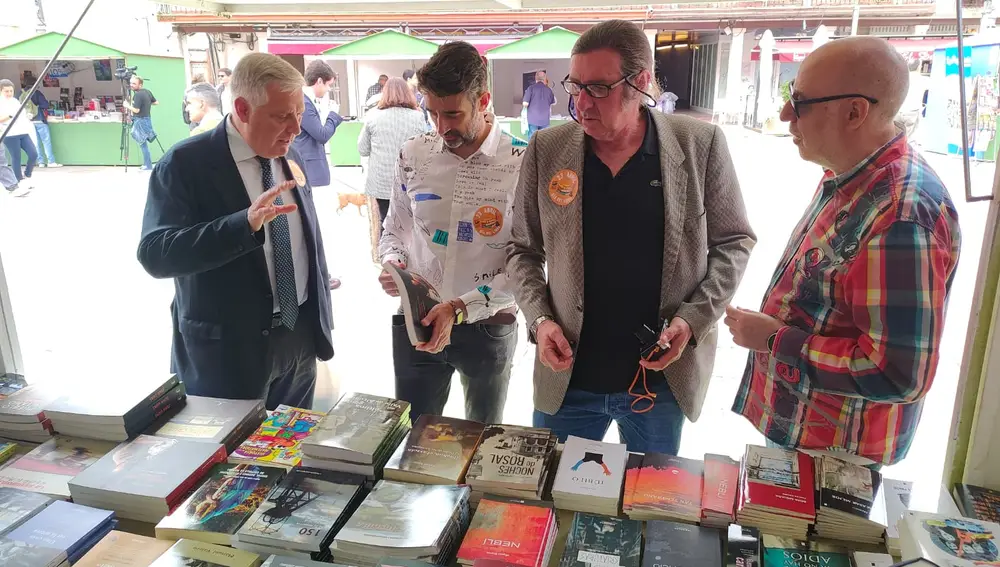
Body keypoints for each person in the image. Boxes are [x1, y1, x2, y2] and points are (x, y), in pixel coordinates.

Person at [506, 20, 755, 455]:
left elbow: (734, 241)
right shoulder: (548, 148)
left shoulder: (700, 144)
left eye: (598, 88)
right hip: (568, 379)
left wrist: (692, 319)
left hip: (658, 385)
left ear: (640, 83)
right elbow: (522, 249)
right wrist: (540, 320)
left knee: (649, 507)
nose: (581, 103)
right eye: (575, 85)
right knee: (553, 499)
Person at [725, 37, 961, 469]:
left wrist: (774, 339)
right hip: (808, 433)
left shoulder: (901, 214)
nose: (785, 115)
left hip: (835, 455)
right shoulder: (850, 177)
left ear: (855, 112)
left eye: (801, 103)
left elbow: (898, 374)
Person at [137, 53, 335, 411]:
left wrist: (320, 322)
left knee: (292, 453)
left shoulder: (290, 154)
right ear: (242, 109)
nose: (295, 128)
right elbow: (155, 253)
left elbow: (309, 240)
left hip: (299, 336)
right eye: (281, 116)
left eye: (300, 115)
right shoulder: (186, 164)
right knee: (232, 460)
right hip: (227, 352)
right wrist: (242, 225)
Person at [378, 41, 524, 424]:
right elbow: (395, 228)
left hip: (488, 324)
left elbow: (529, 264)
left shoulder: (521, 161)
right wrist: (394, 263)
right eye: (432, 113)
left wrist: (459, 309)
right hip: (419, 320)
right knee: (413, 437)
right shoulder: (413, 153)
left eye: (454, 114)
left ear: (484, 100)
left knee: (481, 438)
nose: (442, 127)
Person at [292, 60, 344, 291]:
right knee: (314, 224)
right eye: (329, 85)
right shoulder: (304, 102)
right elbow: (321, 134)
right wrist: (334, 116)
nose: (328, 90)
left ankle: (319, 273)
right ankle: (320, 275)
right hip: (309, 170)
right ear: (319, 81)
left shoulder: (305, 101)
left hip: (307, 167)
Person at [359, 77, 427, 230]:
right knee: (409, 225)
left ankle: (386, 253)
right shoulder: (418, 117)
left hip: (381, 184)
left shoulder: (373, 116)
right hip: (409, 182)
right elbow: (425, 148)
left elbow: (362, 149)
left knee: (385, 223)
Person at [0, 79, 38, 193]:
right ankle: (18, 181)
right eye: (6, 91)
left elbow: (21, 114)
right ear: (1, 91)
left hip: (22, 131)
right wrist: (10, 116)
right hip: (9, 134)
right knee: (16, 158)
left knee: (33, 154)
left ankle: (27, 174)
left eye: (11, 91)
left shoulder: (15, 101)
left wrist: (28, 115)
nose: (9, 93)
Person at [124, 75, 158, 171]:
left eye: (134, 83)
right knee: (143, 142)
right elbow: (156, 102)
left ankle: (148, 165)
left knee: (142, 144)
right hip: (147, 119)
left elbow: (136, 110)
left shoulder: (138, 95)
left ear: (140, 85)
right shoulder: (147, 92)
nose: (131, 85)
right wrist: (146, 103)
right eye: (131, 83)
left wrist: (127, 105)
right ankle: (147, 164)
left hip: (140, 120)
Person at [23, 83, 60, 168]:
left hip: (29, 121)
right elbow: (45, 105)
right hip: (39, 120)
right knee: (46, 141)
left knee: (36, 143)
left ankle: (41, 162)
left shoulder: (21, 94)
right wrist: (38, 106)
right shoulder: (36, 93)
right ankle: (51, 161)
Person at [522, 70, 556, 139]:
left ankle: (533, 150)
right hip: (545, 120)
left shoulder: (531, 88)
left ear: (535, 78)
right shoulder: (549, 90)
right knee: (543, 141)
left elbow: (525, 103)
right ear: (545, 78)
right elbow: (553, 102)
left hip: (533, 119)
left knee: (532, 140)